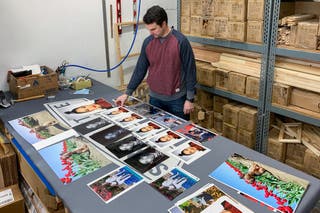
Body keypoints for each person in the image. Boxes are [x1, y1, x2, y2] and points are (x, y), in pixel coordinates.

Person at [115, 5, 196, 120]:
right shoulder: (148, 43)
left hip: (177, 101)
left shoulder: (180, 41)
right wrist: (127, 93)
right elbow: (140, 69)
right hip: (154, 99)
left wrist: (189, 99)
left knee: (178, 135)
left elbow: (190, 71)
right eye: (149, 29)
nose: (151, 33)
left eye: (153, 29)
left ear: (163, 24)